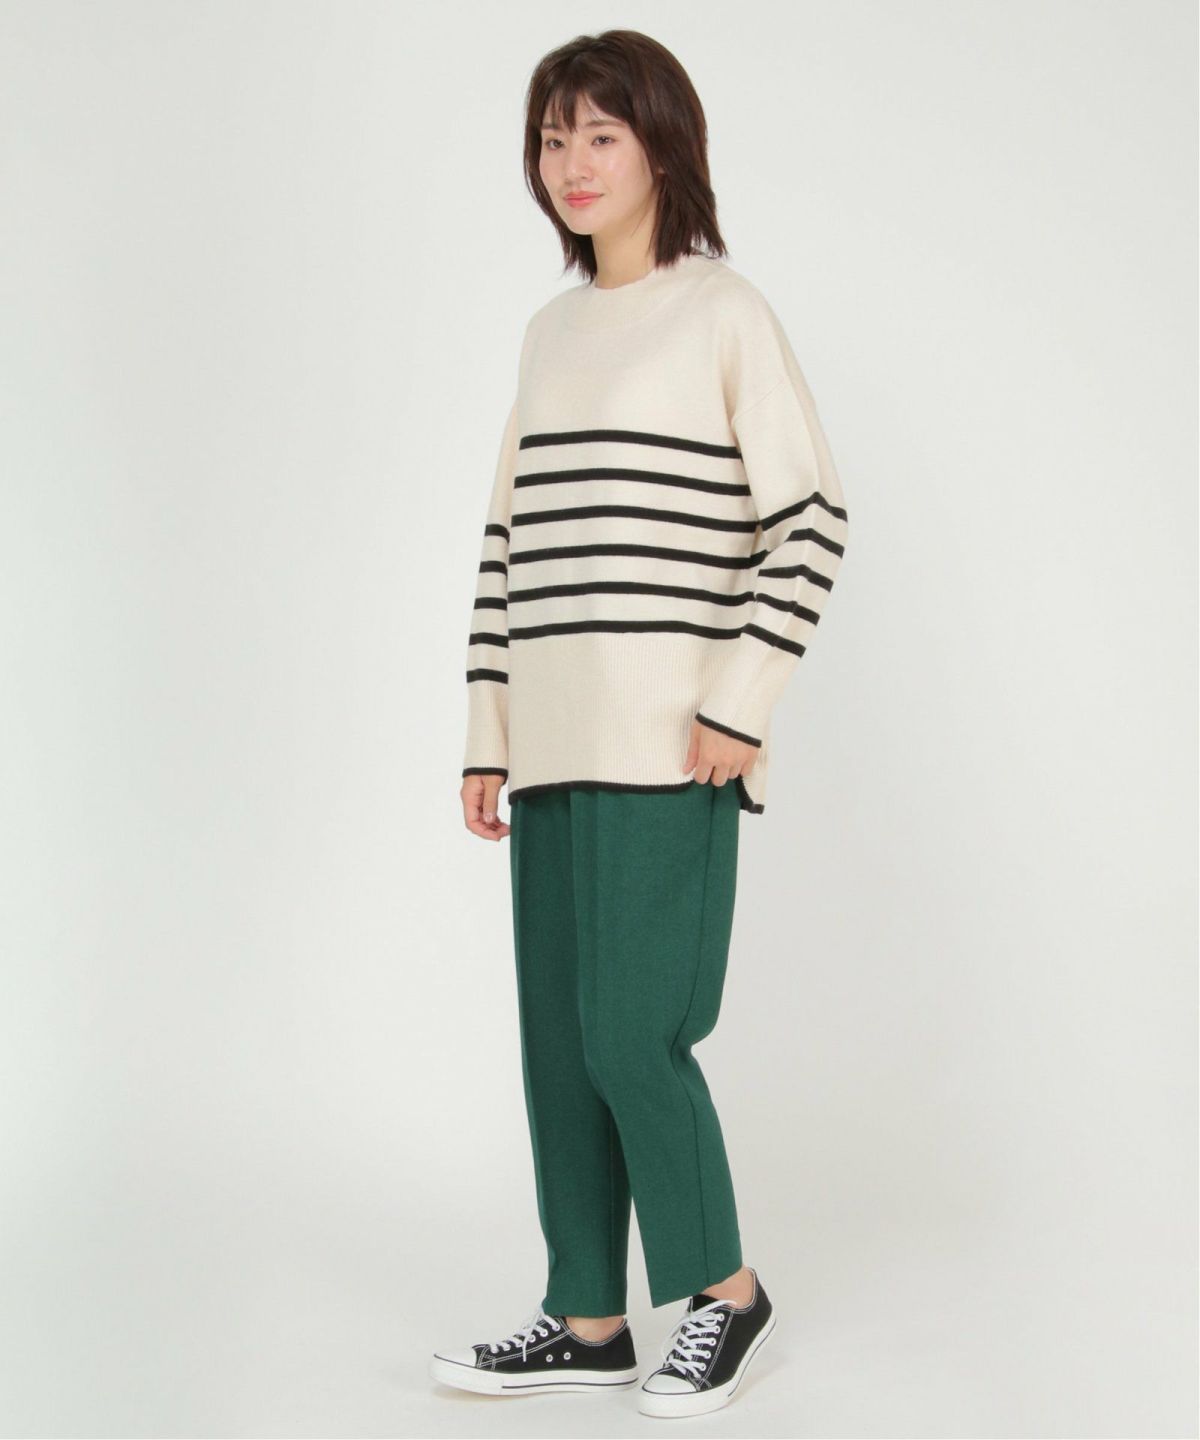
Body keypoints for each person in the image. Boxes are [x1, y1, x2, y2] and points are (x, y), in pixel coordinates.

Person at [431, 28, 849, 1420]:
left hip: (672, 745)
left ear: (664, 146)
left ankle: (726, 1292)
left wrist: (740, 699)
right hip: (550, 750)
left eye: (601, 134)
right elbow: (507, 547)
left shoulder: (723, 313)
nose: (573, 162)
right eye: (554, 137)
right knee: (560, 1050)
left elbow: (810, 520)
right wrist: (489, 732)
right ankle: (588, 1316)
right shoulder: (549, 335)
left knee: (631, 1036)